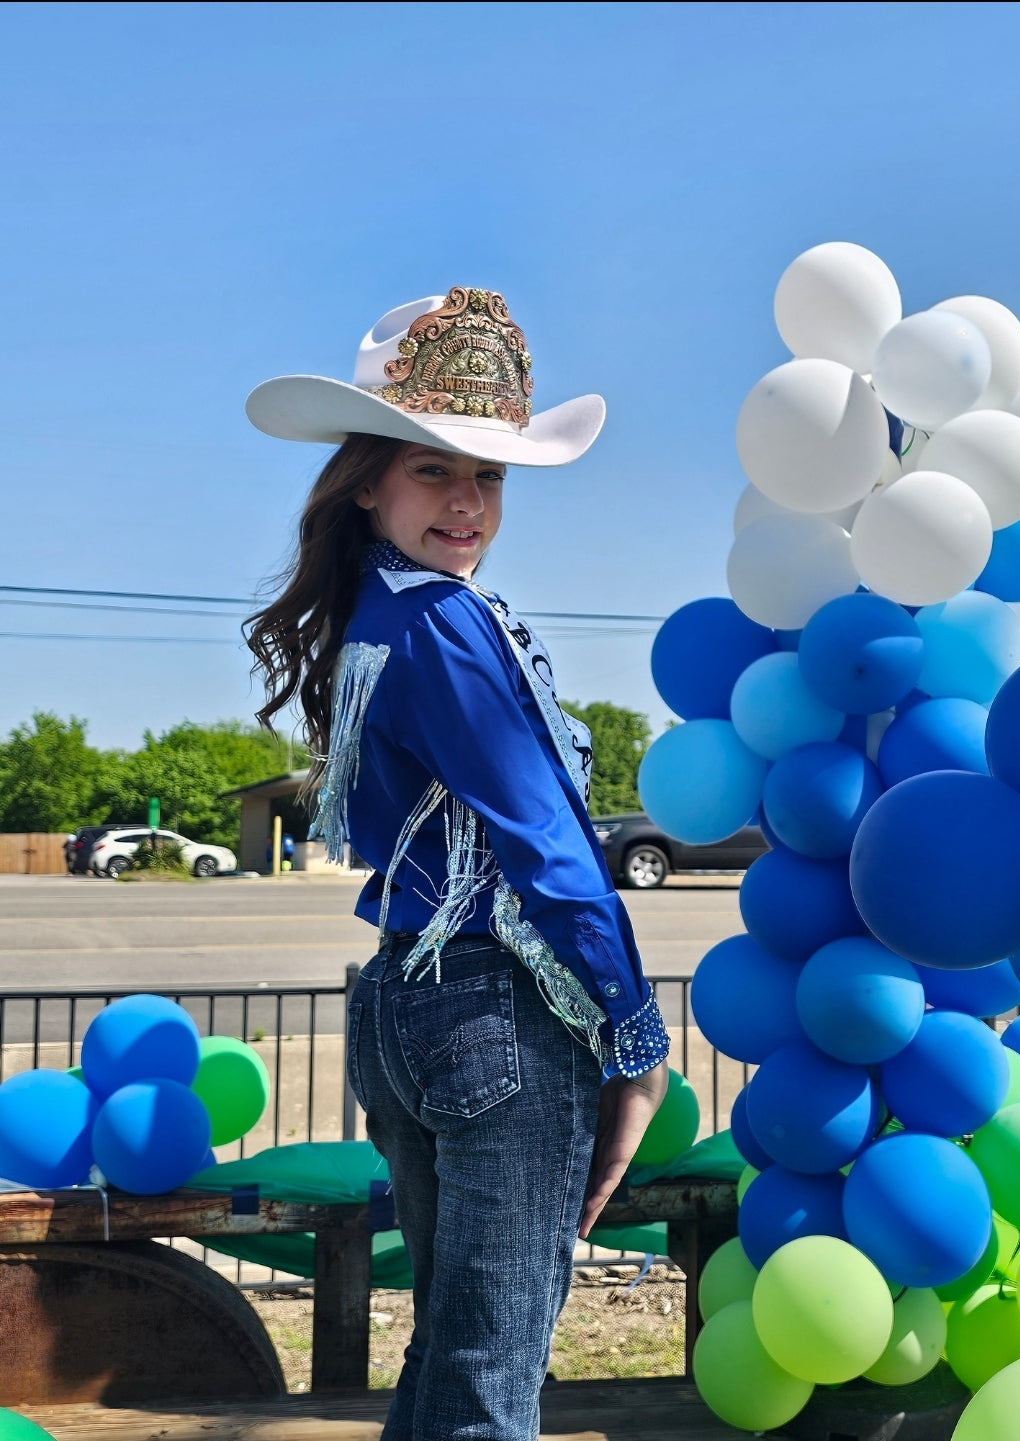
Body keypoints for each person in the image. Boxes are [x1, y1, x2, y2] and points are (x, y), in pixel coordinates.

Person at [244, 287, 670, 1441]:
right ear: (368, 480)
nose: (468, 502)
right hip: (497, 1016)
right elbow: (546, 845)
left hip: (408, 1005)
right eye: (435, 470)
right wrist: (635, 1041)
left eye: (488, 476)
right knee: (488, 1383)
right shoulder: (443, 624)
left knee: (449, 1361)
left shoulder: (377, 615)